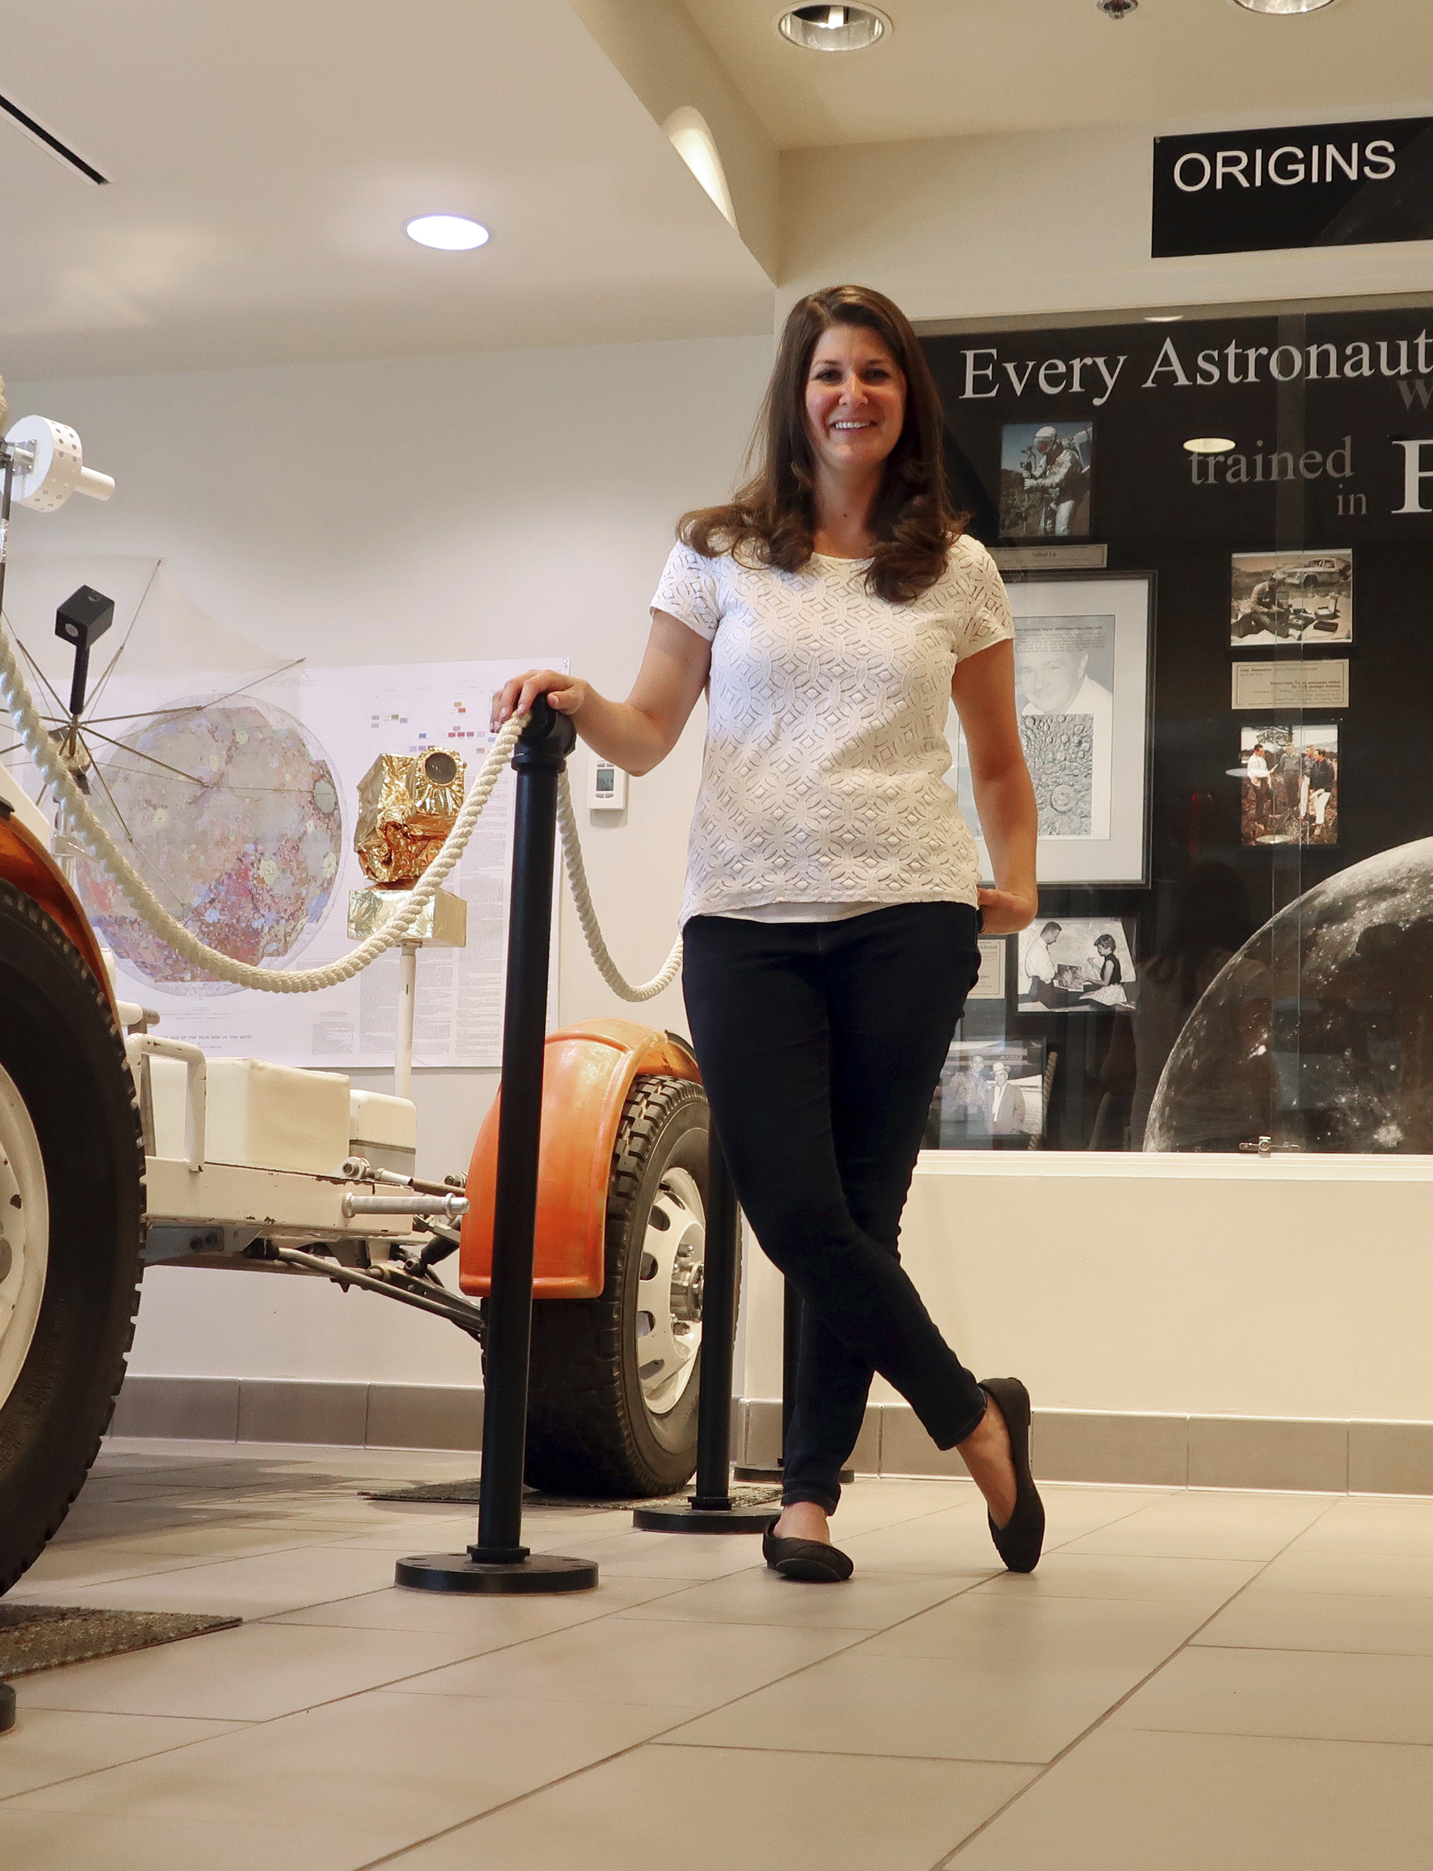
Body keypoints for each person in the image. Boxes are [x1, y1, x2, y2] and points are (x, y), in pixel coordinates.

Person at [490, 284, 1046, 1583]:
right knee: (797, 1207)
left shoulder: (956, 569)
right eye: (829, 373)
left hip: (908, 914)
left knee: (858, 1209)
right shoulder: (716, 550)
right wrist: (574, 696)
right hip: (744, 916)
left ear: (907, 402)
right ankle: (978, 1421)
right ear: (798, 397)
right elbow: (649, 721)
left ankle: (806, 1499)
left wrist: (1013, 877)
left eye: (876, 374)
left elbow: (1001, 762)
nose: (851, 394)